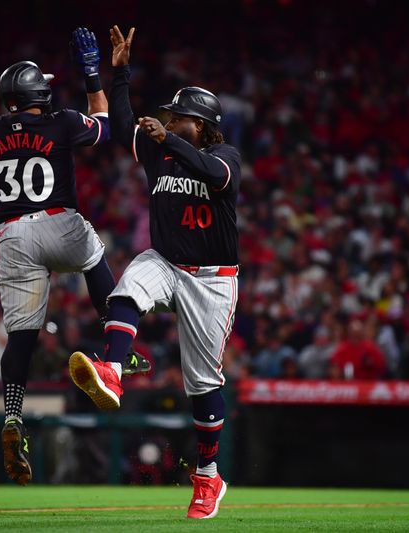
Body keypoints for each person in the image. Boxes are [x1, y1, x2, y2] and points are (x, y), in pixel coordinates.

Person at [69, 25, 241, 519]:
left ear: (202, 126)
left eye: (180, 116)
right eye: (170, 114)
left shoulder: (224, 155)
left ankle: (208, 476)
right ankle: (114, 369)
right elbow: (123, 122)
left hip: (212, 278)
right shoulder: (159, 147)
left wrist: (171, 139)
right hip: (166, 260)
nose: (169, 119)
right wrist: (118, 71)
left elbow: (217, 177)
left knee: (202, 384)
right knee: (127, 288)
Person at [0, 27, 147, 486]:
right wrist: (91, 74)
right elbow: (102, 126)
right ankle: (115, 353)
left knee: (21, 338)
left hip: (12, 236)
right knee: (93, 256)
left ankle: (11, 415)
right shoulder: (62, 120)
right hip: (57, 219)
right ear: (39, 91)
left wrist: (8, 131)